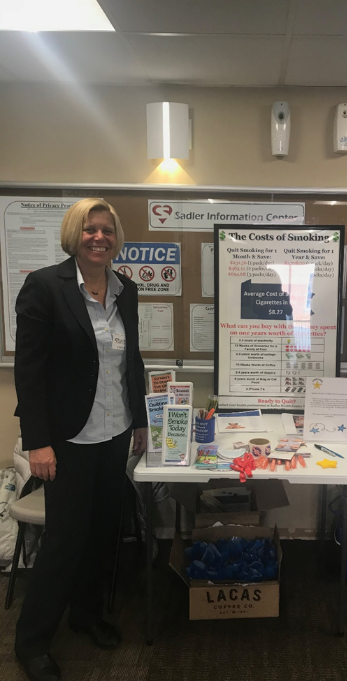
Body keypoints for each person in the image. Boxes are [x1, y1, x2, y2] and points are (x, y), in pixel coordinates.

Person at [13, 199, 147, 681]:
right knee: (65, 541)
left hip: (114, 433)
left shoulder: (124, 289)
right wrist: (38, 442)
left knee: (101, 534)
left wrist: (142, 421)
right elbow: (29, 372)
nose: (99, 237)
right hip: (67, 440)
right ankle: (31, 644)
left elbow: (131, 360)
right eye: (90, 229)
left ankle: (86, 616)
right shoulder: (45, 286)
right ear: (75, 234)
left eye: (107, 230)